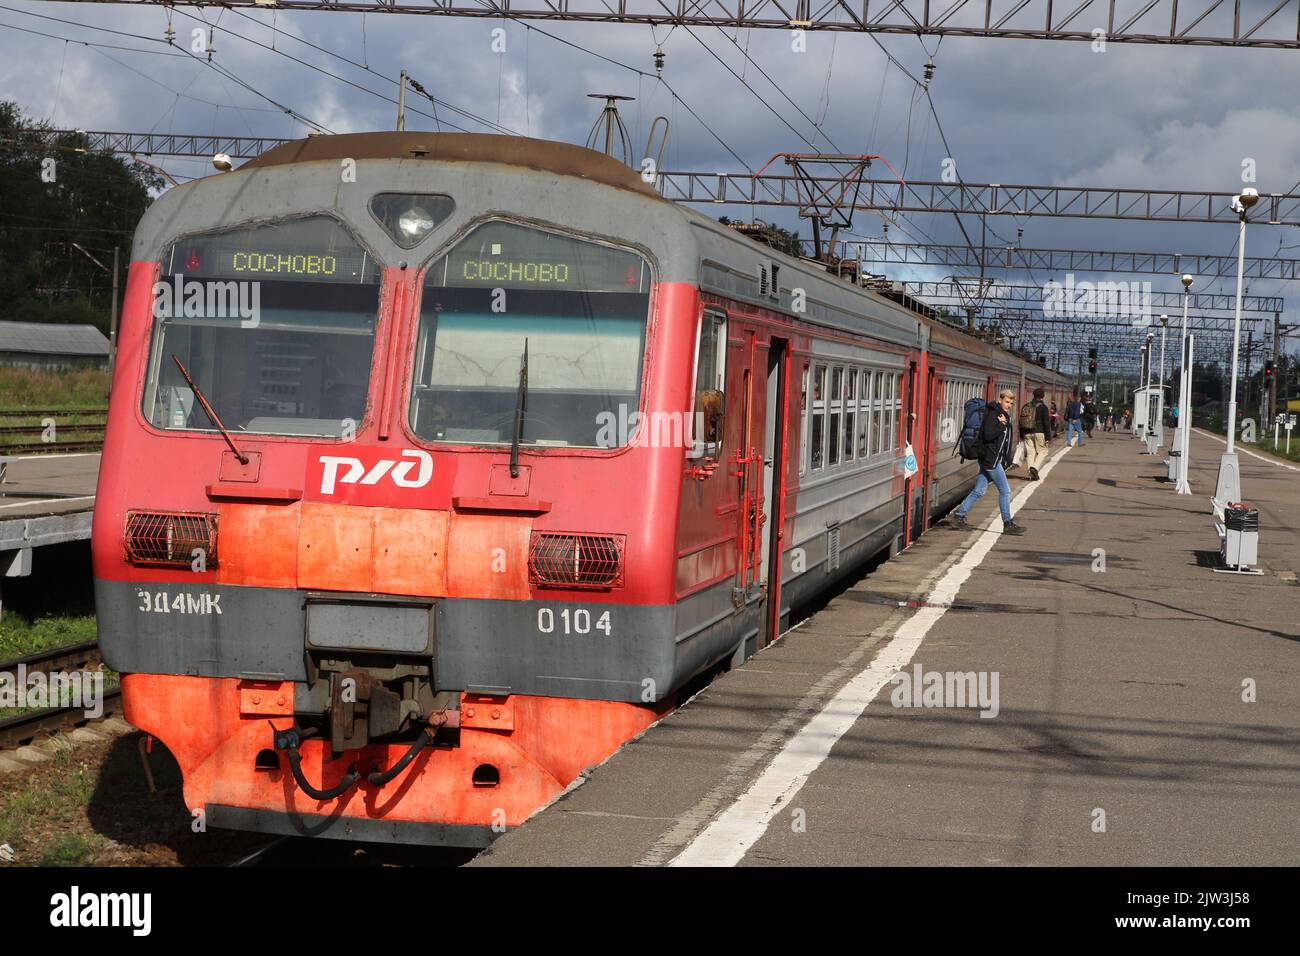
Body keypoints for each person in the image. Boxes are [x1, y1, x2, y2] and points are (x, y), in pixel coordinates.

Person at [949, 389, 1026, 535]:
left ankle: (958, 516)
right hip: (991, 460)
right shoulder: (993, 414)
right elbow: (988, 435)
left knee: (979, 491)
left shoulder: (1000, 414)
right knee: (1005, 490)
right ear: (1000, 400)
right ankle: (1007, 523)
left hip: (989, 459)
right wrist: (1002, 425)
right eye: (1006, 401)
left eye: (1011, 403)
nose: (1009, 405)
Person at [1017, 386, 1052, 481]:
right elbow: (1046, 423)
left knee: (1030, 453)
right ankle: (1035, 468)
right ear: (1042, 397)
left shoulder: (1026, 406)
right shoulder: (1043, 407)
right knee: (1043, 451)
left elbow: (1021, 421)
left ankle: (1030, 474)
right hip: (1039, 432)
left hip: (1027, 432)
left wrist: (1021, 434)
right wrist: (1048, 437)